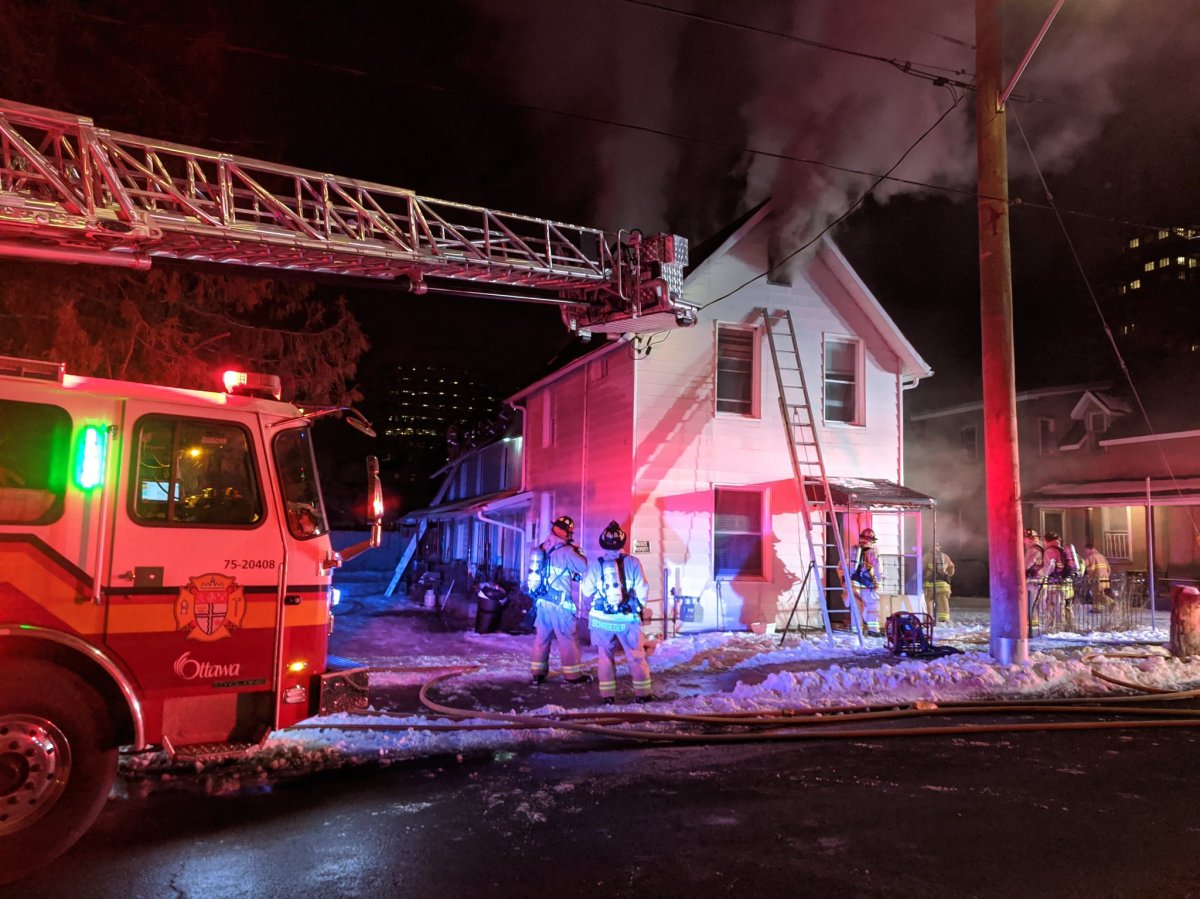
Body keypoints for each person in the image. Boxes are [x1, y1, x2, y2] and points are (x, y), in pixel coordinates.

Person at [581, 520, 653, 705]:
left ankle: (607, 697)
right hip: (627, 618)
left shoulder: (596, 565)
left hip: (601, 620)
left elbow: (587, 591)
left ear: (602, 543)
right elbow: (643, 589)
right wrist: (640, 608)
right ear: (623, 543)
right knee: (635, 655)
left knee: (605, 656)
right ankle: (643, 694)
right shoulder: (633, 562)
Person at [527, 515, 591, 685]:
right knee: (567, 639)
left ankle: (537, 674)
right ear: (566, 532)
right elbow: (583, 566)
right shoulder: (567, 551)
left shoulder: (543, 547)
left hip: (542, 602)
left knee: (541, 639)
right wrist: (579, 551)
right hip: (560, 605)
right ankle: (572, 676)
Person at [848, 528, 881, 634]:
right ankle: (873, 630)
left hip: (854, 584)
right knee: (872, 607)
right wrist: (878, 582)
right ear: (872, 539)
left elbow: (847, 567)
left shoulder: (853, 550)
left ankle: (856, 630)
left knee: (856, 608)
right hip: (867, 585)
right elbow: (878, 568)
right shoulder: (873, 552)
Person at [1042, 532, 1076, 631]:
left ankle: (1057, 628)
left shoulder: (1050, 551)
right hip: (1067, 584)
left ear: (1047, 540)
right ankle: (1070, 626)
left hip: (1055, 584)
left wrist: (1039, 574)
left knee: (1054, 605)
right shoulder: (1061, 549)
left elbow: (1049, 568)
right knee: (1067, 605)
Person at [922, 543, 956, 625]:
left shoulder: (926, 556)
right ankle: (944, 621)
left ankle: (928, 620)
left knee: (928, 603)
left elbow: (921, 568)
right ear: (939, 547)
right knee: (943, 604)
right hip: (943, 586)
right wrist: (947, 574)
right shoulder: (945, 556)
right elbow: (951, 569)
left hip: (930, 586)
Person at [1023, 528, 1045, 630]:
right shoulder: (1039, 548)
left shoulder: (1033, 549)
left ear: (1031, 539)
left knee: (1031, 601)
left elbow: (1027, 564)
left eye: (1025, 538)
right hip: (1039, 579)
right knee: (1038, 601)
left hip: (1033, 580)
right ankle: (1035, 621)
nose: (1024, 540)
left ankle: (1033, 623)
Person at [1083, 543, 1114, 608]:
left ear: (1088, 549)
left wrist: (1088, 576)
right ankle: (1097, 608)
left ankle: (1111, 603)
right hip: (1105, 578)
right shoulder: (1102, 556)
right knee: (1098, 593)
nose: (1085, 552)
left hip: (1096, 578)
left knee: (1097, 594)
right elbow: (1109, 569)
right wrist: (1106, 576)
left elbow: (1085, 567)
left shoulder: (1090, 557)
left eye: (1085, 550)